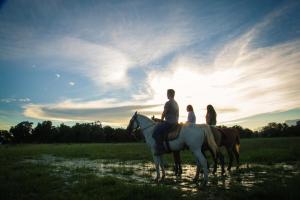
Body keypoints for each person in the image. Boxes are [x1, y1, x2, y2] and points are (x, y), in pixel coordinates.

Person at [153, 89, 179, 155]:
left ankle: (160, 149)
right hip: (176, 122)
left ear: (169, 94)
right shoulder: (176, 103)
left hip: (169, 122)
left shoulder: (168, 103)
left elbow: (164, 113)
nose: (167, 95)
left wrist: (161, 120)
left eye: (167, 94)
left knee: (155, 132)